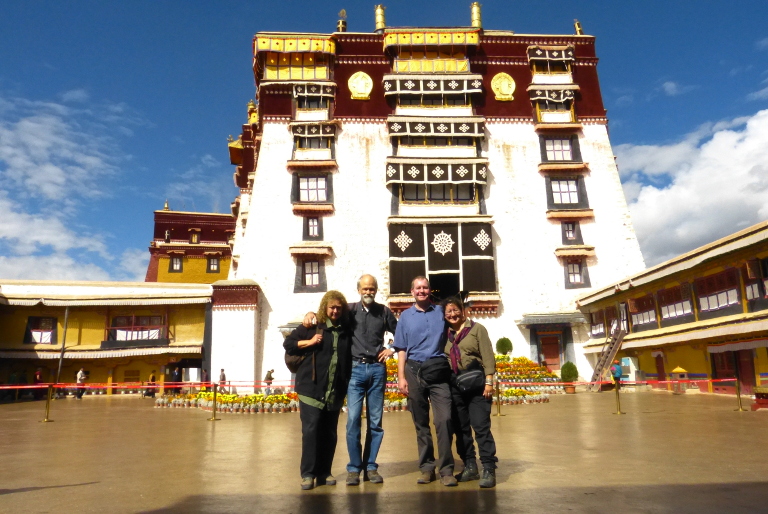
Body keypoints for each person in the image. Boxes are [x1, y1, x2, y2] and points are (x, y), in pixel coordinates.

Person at [303, 274, 397, 486]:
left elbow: (401, 332)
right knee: (353, 420)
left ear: (376, 290)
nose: (368, 292)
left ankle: (371, 466)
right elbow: (328, 315)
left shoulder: (384, 312)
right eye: (365, 288)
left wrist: (391, 348)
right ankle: (354, 468)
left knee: (375, 421)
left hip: (376, 369)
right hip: (355, 370)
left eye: (372, 288)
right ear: (358, 290)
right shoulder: (350, 311)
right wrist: (310, 314)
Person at [284, 290, 352, 491]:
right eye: (331, 307)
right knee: (311, 431)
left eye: (339, 308)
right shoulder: (312, 327)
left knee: (329, 433)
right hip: (311, 391)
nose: (335, 311)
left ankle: (324, 472)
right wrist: (310, 341)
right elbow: (288, 344)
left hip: (334, 391)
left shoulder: (346, 329)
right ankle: (308, 474)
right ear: (325, 308)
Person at [394, 276, 456, 487]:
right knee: (421, 423)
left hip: (438, 370)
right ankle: (427, 467)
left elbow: (459, 319)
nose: (422, 291)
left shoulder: (440, 312)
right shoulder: (405, 317)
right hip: (414, 370)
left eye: (425, 287)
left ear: (430, 290)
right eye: (418, 288)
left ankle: (447, 469)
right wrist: (401, 377)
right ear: (412, 292)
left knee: (444, 419)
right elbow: (401, 348)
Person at [442, 296, 498, 488]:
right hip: (456, 387)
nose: (452, 314)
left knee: (481, 427)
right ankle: (470, 466)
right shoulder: (445, 334)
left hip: (478, 386)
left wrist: (489, 381)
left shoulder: (477, 330)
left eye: (455, 310)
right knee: (461, 429)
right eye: (448, 311)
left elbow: (488, 356)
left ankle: (489, 467)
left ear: (463, 310)